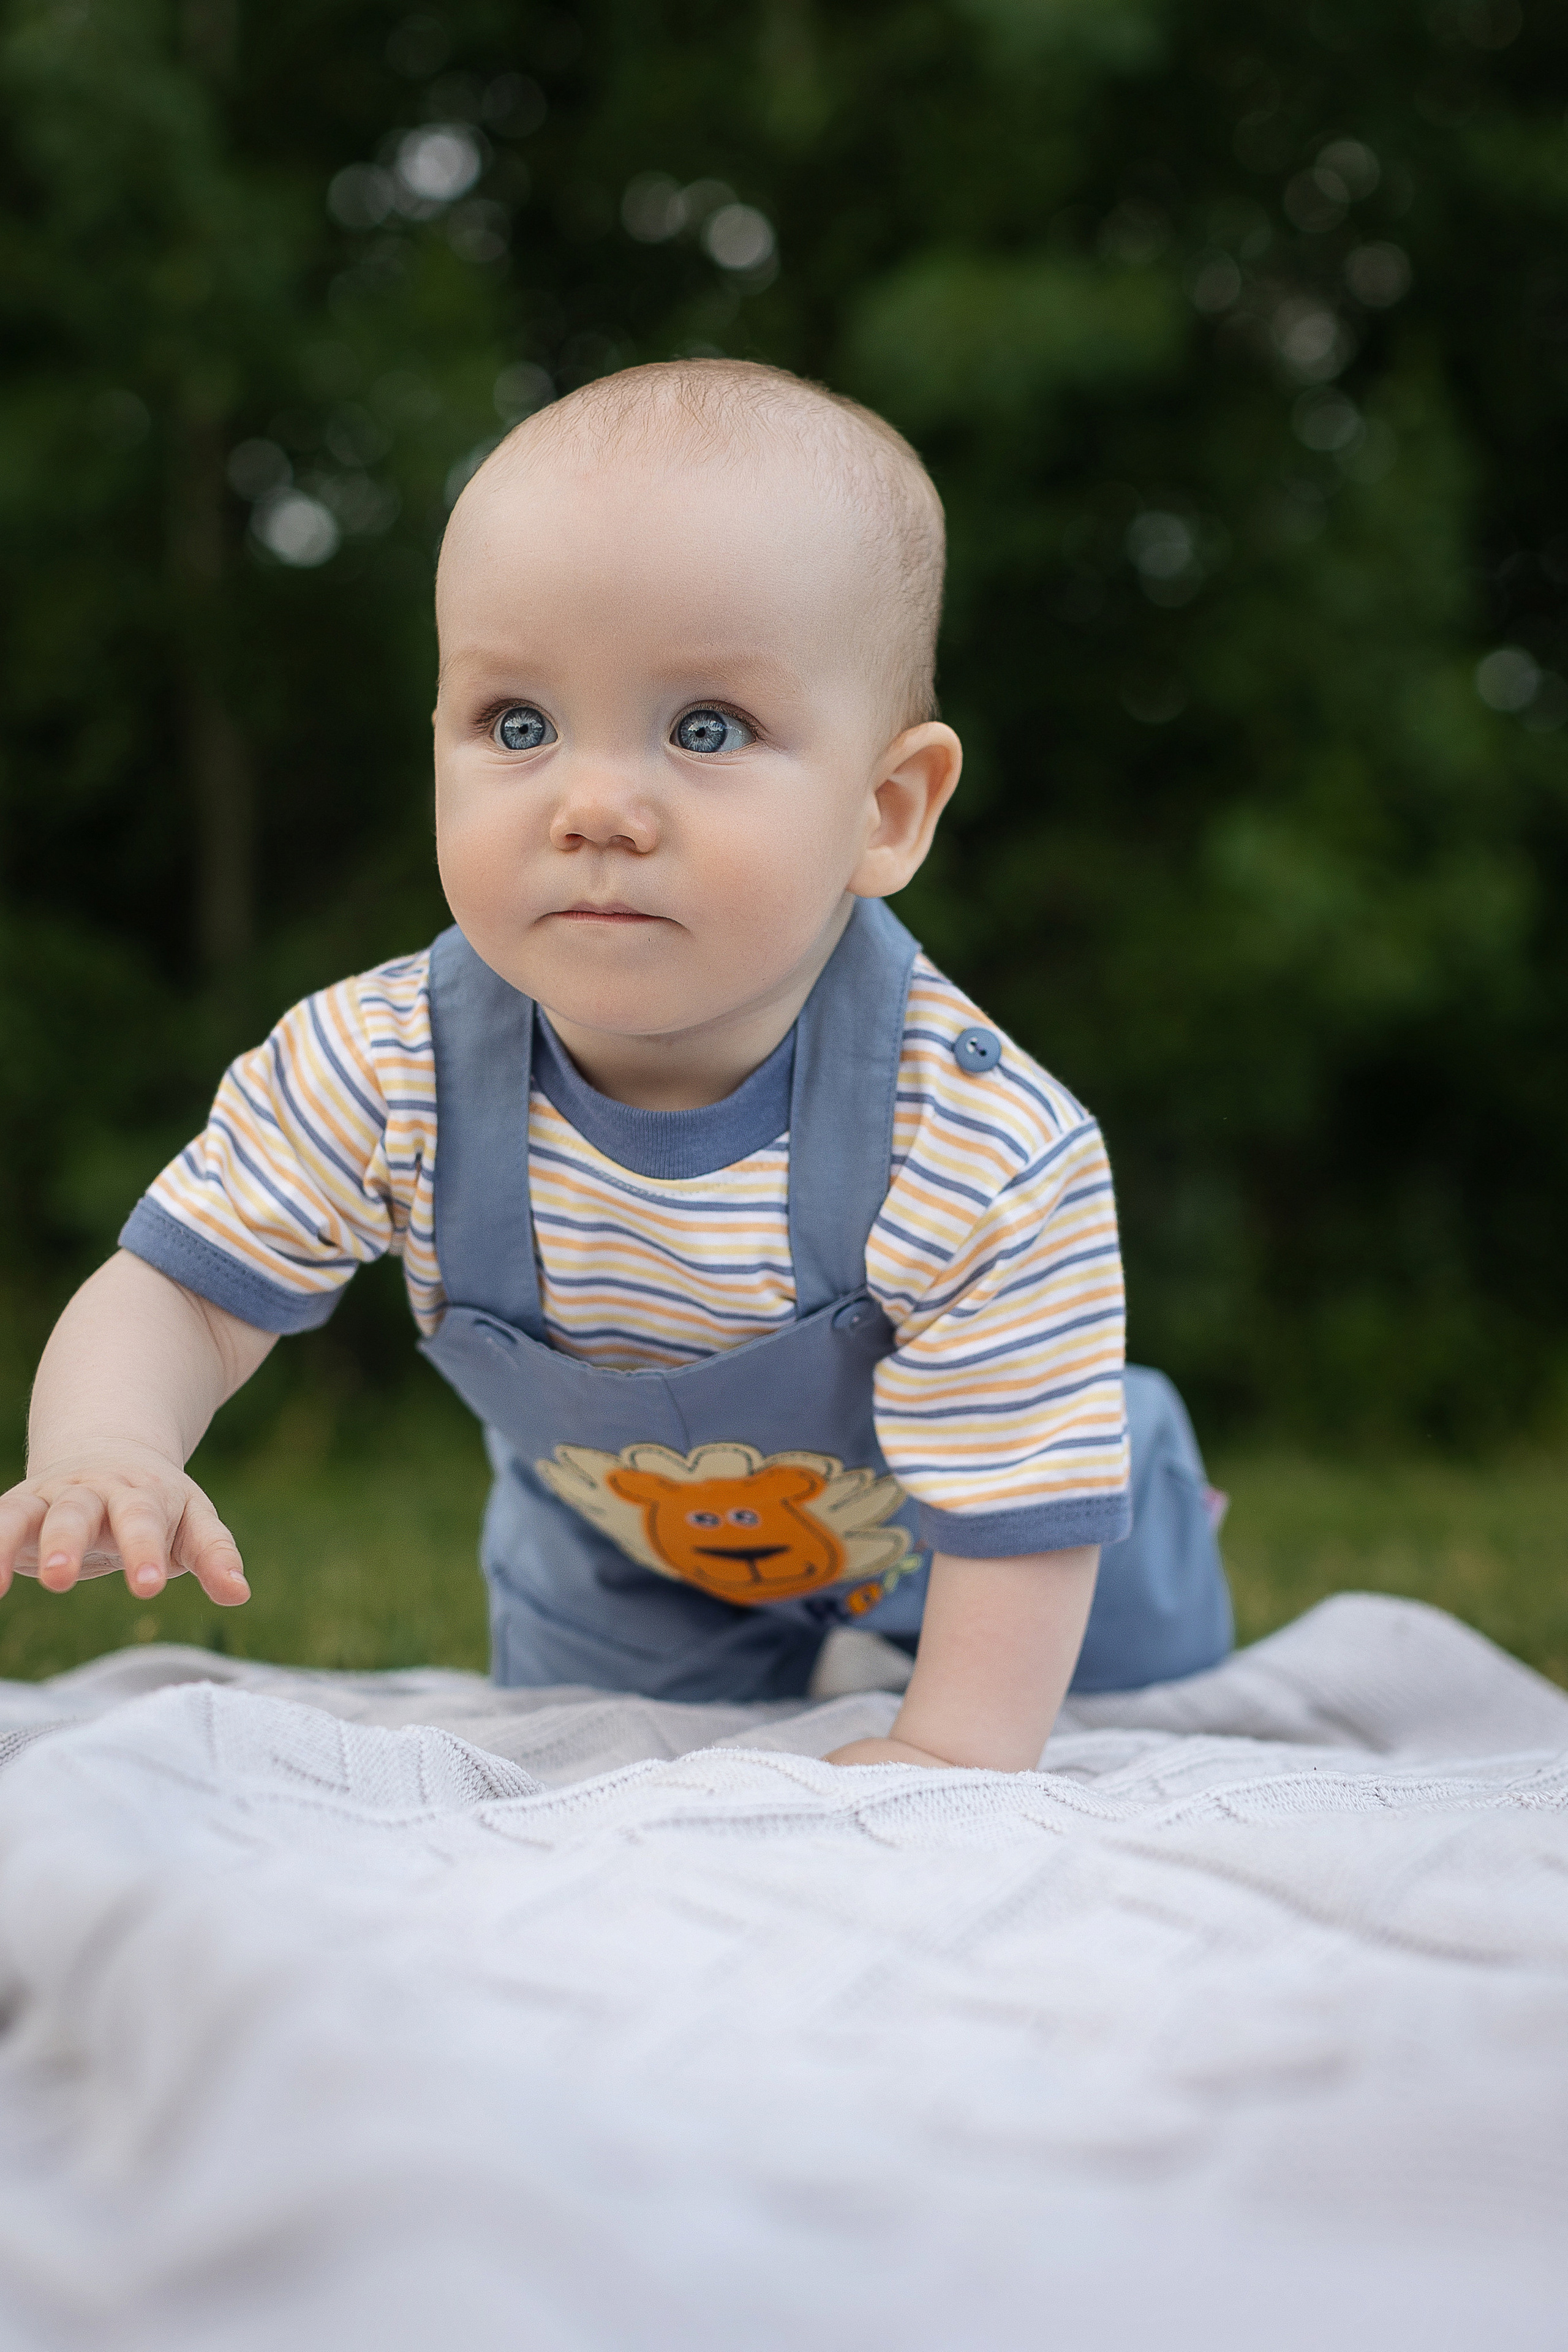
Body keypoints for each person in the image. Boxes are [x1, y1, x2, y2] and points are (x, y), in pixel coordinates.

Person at [0, 360, 1229, 1770]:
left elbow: (1014, 1503)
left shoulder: (971, 1138)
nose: (592, 805)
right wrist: (110, 1443)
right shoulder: (383, 1065)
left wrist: (950, 1753)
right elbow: (183, 1294)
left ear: (885, 812)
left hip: (1015, 1532)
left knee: (1134, 1708)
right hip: (625, 1551)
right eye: (516, 726)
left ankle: (1155, 1515)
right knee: (605, 1770)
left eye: (704, 728)